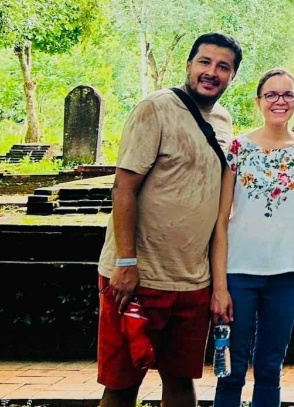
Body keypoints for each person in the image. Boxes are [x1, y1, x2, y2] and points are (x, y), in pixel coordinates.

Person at [97, 33, 239, 407]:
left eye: (223, 67)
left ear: (232, 77)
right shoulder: (156, 108)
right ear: (189, 65)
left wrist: (217, 284)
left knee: (181, 382)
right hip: (140, 277)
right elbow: (123, 189)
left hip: (193, 280)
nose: (211, 72)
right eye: (204, 62)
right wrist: (126, 263)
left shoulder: (223, 122)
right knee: (122, 384)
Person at [211, 68, 294, 407]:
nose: (279, 101)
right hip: (240, 273)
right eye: (271, 95)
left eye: (287, 94)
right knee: (231, 369)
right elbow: (221, 218)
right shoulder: (239, 149)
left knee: (271, 368)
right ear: (258, 101)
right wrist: (219, 285)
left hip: (287, 275)